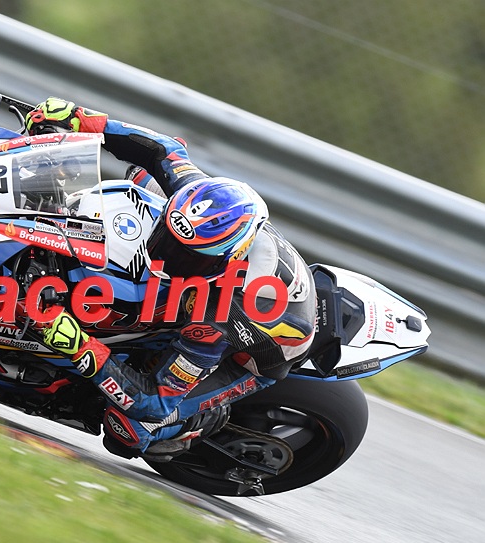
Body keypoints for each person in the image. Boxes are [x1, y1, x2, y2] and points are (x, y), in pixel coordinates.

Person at [26, 98, 318, 461]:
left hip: (255, 352)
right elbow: (162, 149)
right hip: (241, 281)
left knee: (131, 428)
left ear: (226, 261)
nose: (165, 255)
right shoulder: (200, 200)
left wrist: (79, 345)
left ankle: (201, 422)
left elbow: (154, 400)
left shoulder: (218, 315)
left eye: (187, 256)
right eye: (168, 237)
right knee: (142, 175)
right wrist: (83, 120)